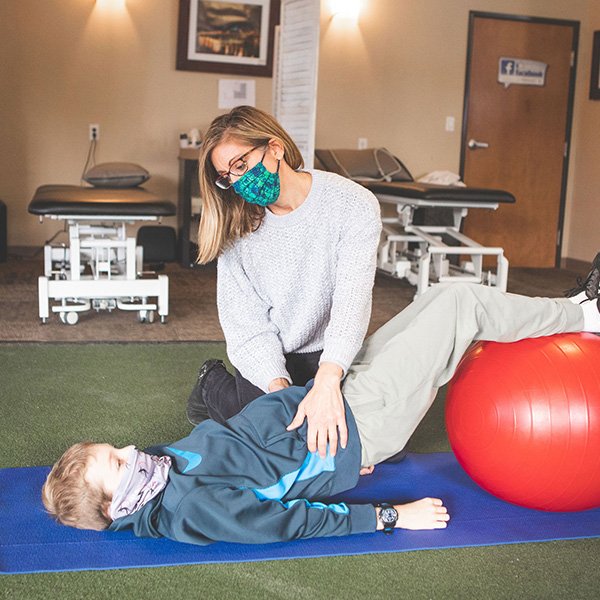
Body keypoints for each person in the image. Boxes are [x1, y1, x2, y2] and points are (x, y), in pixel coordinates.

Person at [42, 254, 600, 545]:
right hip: (358, 421)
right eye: (118, 461)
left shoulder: (156, 473)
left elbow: (245, 450)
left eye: (114, 447)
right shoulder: (190, 507)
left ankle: (575, 305)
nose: (132, 447)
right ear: (122, 506)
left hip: (330, 395)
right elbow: (287, 522)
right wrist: (392, 517)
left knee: (441, 296)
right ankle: (585, 315)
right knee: (461, 310)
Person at [188, 106, 382, 460]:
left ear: (275, 148)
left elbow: (351, 301)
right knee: (275, 447)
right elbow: (246, 326)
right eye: (227, 176)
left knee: (364, 444)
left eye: (242, 165)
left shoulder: (353, 203)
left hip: (328, 351)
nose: (238, 181)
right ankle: (210, 384)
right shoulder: (238, 228)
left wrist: (328, 378)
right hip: (271, 353)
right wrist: (280, 391)